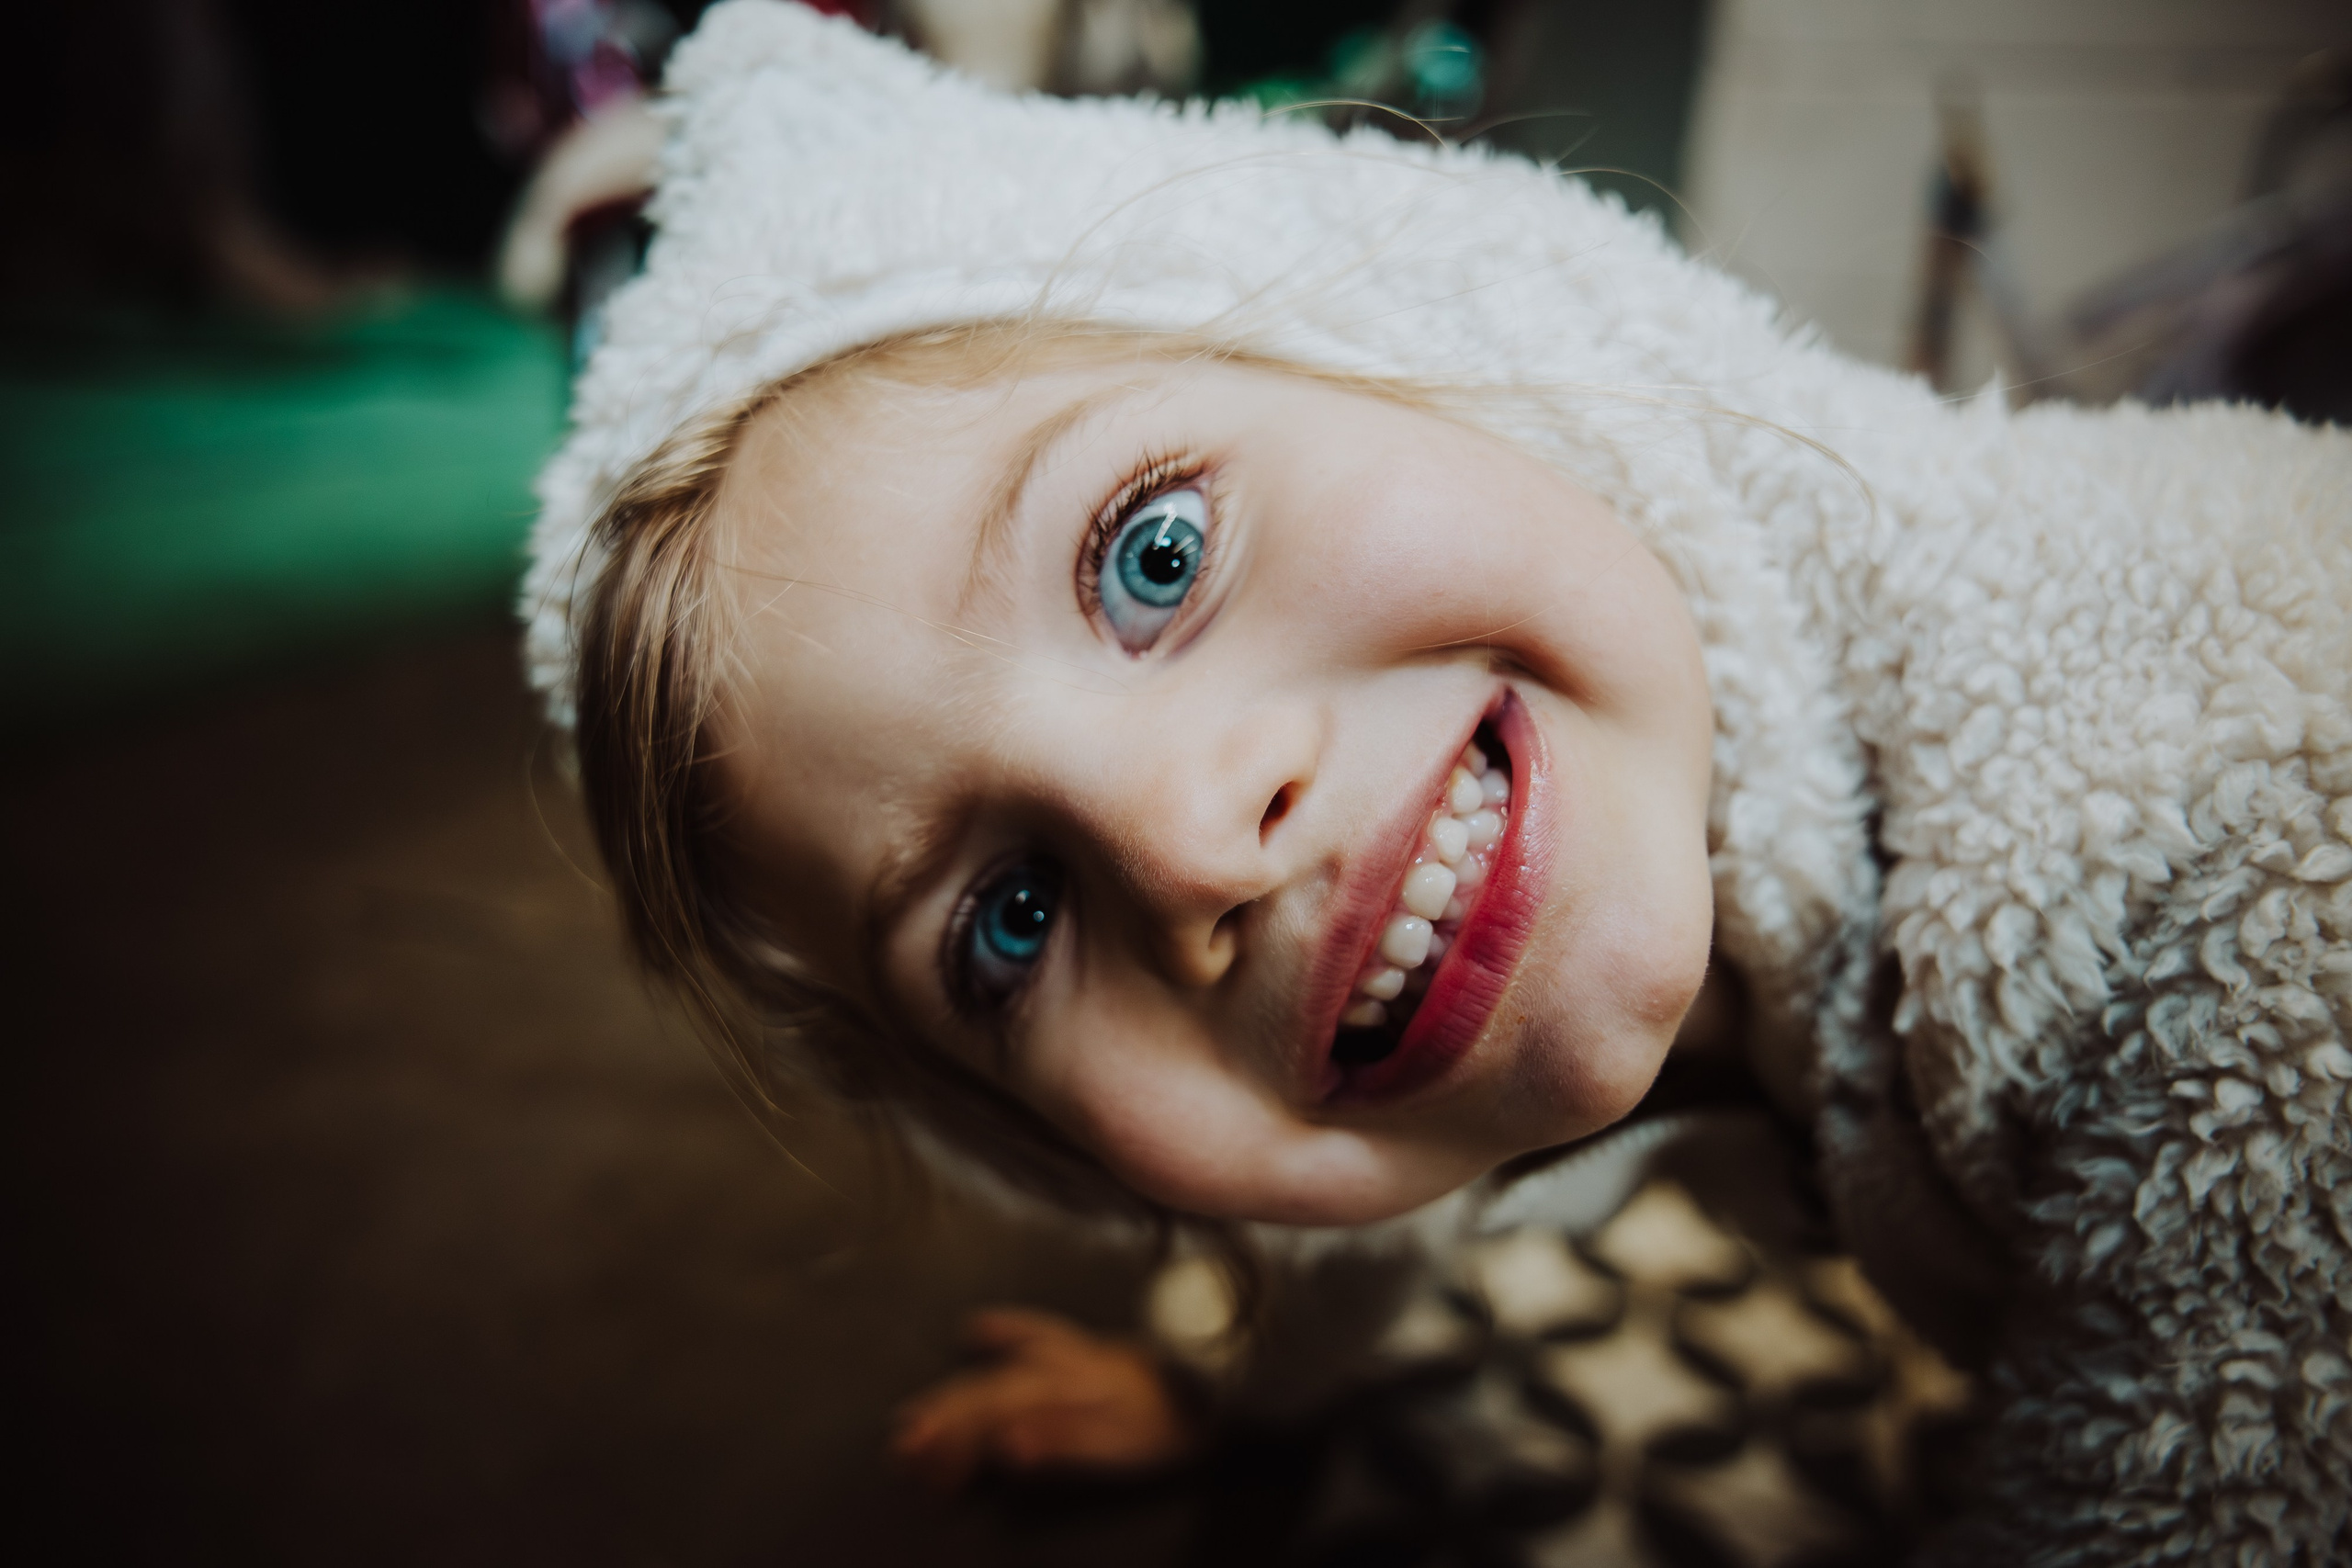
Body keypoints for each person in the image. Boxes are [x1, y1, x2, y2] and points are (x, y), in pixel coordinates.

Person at [522, 5, 2352, 1562]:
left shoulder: (2243, 853)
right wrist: (1217, 1382)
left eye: (1148, 552)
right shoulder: (1502, 834)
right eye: (1007, 924)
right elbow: (1389, 1149)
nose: (1179, 843)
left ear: (1454, 356)